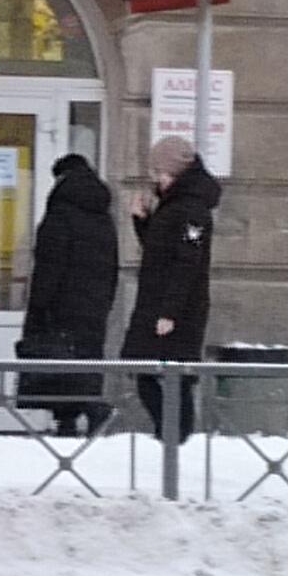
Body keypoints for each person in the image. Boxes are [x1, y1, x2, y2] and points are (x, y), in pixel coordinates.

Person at [118, 137, 221, 443]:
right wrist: (142, 220)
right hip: (157, 303)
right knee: (147, 370)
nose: (155, 179)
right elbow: (159, 251)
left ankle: (177, 439)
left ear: (176, 173)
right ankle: (171, 437)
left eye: (160, 172)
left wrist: (169, 313)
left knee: (173, 376)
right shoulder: (174, 205)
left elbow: (187, 264)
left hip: (175, 311)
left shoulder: (192, 211)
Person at [14, 151, 120, 438]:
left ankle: (93, 409)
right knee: (79, 361)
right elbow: (112, 268)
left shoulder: (59, 216)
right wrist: (103, 303)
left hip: (60, 306)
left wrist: (38, 306)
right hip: (94, 308)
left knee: (57, 361)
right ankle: (67, 424)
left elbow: (49, 267)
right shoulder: (104, 220)